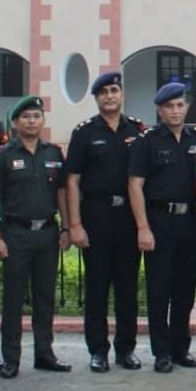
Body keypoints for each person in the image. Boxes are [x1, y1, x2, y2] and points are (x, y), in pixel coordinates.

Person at [65, 71, 146, 373]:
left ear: (122, 94)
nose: (110, 96)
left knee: (127, 287)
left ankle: (126, 350)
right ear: (97, 98)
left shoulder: (138, 130)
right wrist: (74, 224)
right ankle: (98, 351)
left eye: (114, 90)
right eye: (104, 92)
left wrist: (143, 224)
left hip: (127, 218)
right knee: (97, 287)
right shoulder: (84, 133)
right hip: (96, 217)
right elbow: (72, 181)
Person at [128, 82, 196, 373]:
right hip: (159, 221)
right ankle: (161, 352)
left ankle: (180, 348)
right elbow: (135, 185)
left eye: (180, 105)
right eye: (169, 106)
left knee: (185, 289)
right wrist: (143, 227)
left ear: (186, 107)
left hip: (189, 221)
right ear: (160, 110)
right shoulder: (146, 141)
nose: (175, 110)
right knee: (159, 289)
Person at [0, 95, 71, 379]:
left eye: (36, 116)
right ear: (15, 123)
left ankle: (44, 354)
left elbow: (62, 193)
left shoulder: (53, 154)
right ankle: (11, 359)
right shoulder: (4, 156)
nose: (32, 121)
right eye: (26, 117)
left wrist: (66, 227)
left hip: (48, 234)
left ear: (43, 120)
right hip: (15, 233)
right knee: (13, 300)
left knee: (45, 298)